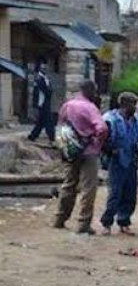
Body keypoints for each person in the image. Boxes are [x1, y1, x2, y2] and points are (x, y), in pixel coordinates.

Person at [53, 81, 107, 234]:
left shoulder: (67, 105)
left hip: (70, 151)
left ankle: (60, 218)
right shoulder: (90, 107)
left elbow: (60, 126)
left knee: (69, 184)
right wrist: (97, 142)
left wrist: (65, 146)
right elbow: (102, 128)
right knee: (88, 188)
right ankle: (83, 223)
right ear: (89, 90)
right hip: (89, 152)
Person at [100, 92, 138, 236]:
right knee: (115, 194)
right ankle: (107, 223)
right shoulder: (110, 119)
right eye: (133, 104)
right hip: (117, 160)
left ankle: (124, 221)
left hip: (132, 159)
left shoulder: (135, 119)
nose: (135, 107)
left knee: (130, 194)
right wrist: (110, 150)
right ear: (125, 104)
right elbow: (103, 139)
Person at [28, 62, 54, 143]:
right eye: (43, 68)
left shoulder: (45, 78)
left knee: (41, 122)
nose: (45, 69)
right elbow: (47, 91)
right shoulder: (39, 79)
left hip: (45, 102)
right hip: (42, 103)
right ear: (39, 69)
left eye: (45, 68)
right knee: (48, 121)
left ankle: (32, 136)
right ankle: (52, 137)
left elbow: (50, 89)